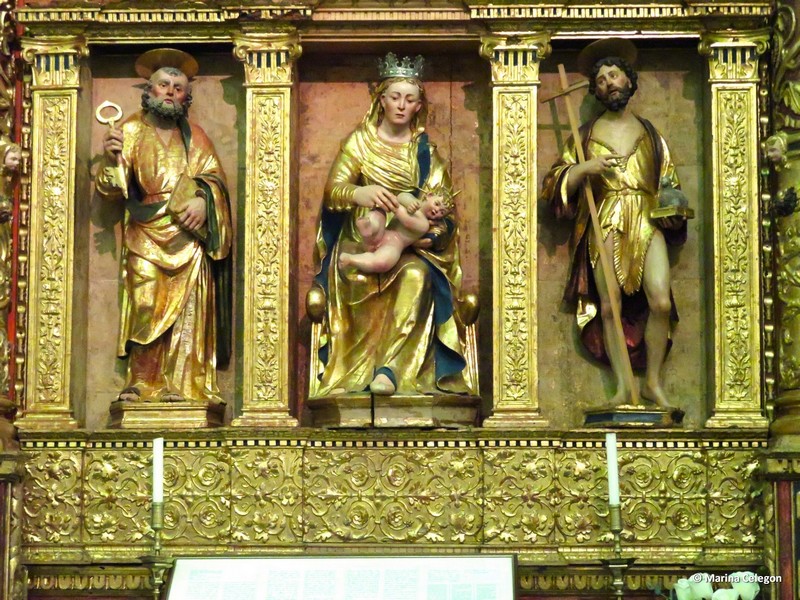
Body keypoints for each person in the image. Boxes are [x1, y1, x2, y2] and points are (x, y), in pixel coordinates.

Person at [312, 53, 473, 397]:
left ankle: (392, 370)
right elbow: (333, 192)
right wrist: (360, 192)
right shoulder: (360, 142)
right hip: (361, 238)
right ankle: (353, 373)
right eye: (395, 97)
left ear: (418, 106)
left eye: (410, 99)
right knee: (357, 274)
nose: (401, 106)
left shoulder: (424, 153)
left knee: (417, 276)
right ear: (381, 99)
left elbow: (445, 210)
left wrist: (429, 236)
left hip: (405, 248)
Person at [541, 38, 688, 408]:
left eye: (615, 75)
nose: (609, 83)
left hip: (646, 219)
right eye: (602, 79)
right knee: (609, 306)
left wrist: (673, 205)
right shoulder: (585, 135)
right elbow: (554, 182)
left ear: (629, 80)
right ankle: (623, 388)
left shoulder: (651, 134)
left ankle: (652, 382)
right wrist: (583, 169)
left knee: (660, 301)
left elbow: (669, 182)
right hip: (605, 216)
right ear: (596, 89)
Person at [95, 48, 232, 405]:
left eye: (178, 87)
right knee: (146, 304)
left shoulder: (196, 136)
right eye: (163, 85)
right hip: (145, 231)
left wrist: (203, 201)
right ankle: (142, 381)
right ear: (149, 90)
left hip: (188, 234)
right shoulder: (129, 130)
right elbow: (112, 190)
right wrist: (111, 160)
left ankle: (183, 385)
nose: (170, 91)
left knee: (188, 311)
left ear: (187, 97)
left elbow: (214, 180)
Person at [338, 187, 454, 274]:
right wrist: (409, 202)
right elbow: (402, 196)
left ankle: (350, 260)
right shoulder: (412, 200)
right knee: (378, 214)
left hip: (393, 245)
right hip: (382, 233)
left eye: (441, 212)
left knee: (383, 263)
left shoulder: (423, 224)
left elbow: (406, 220)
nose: (437, 210)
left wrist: (393, 205)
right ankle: (368, 226)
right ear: (429, 195)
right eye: (437, 204)